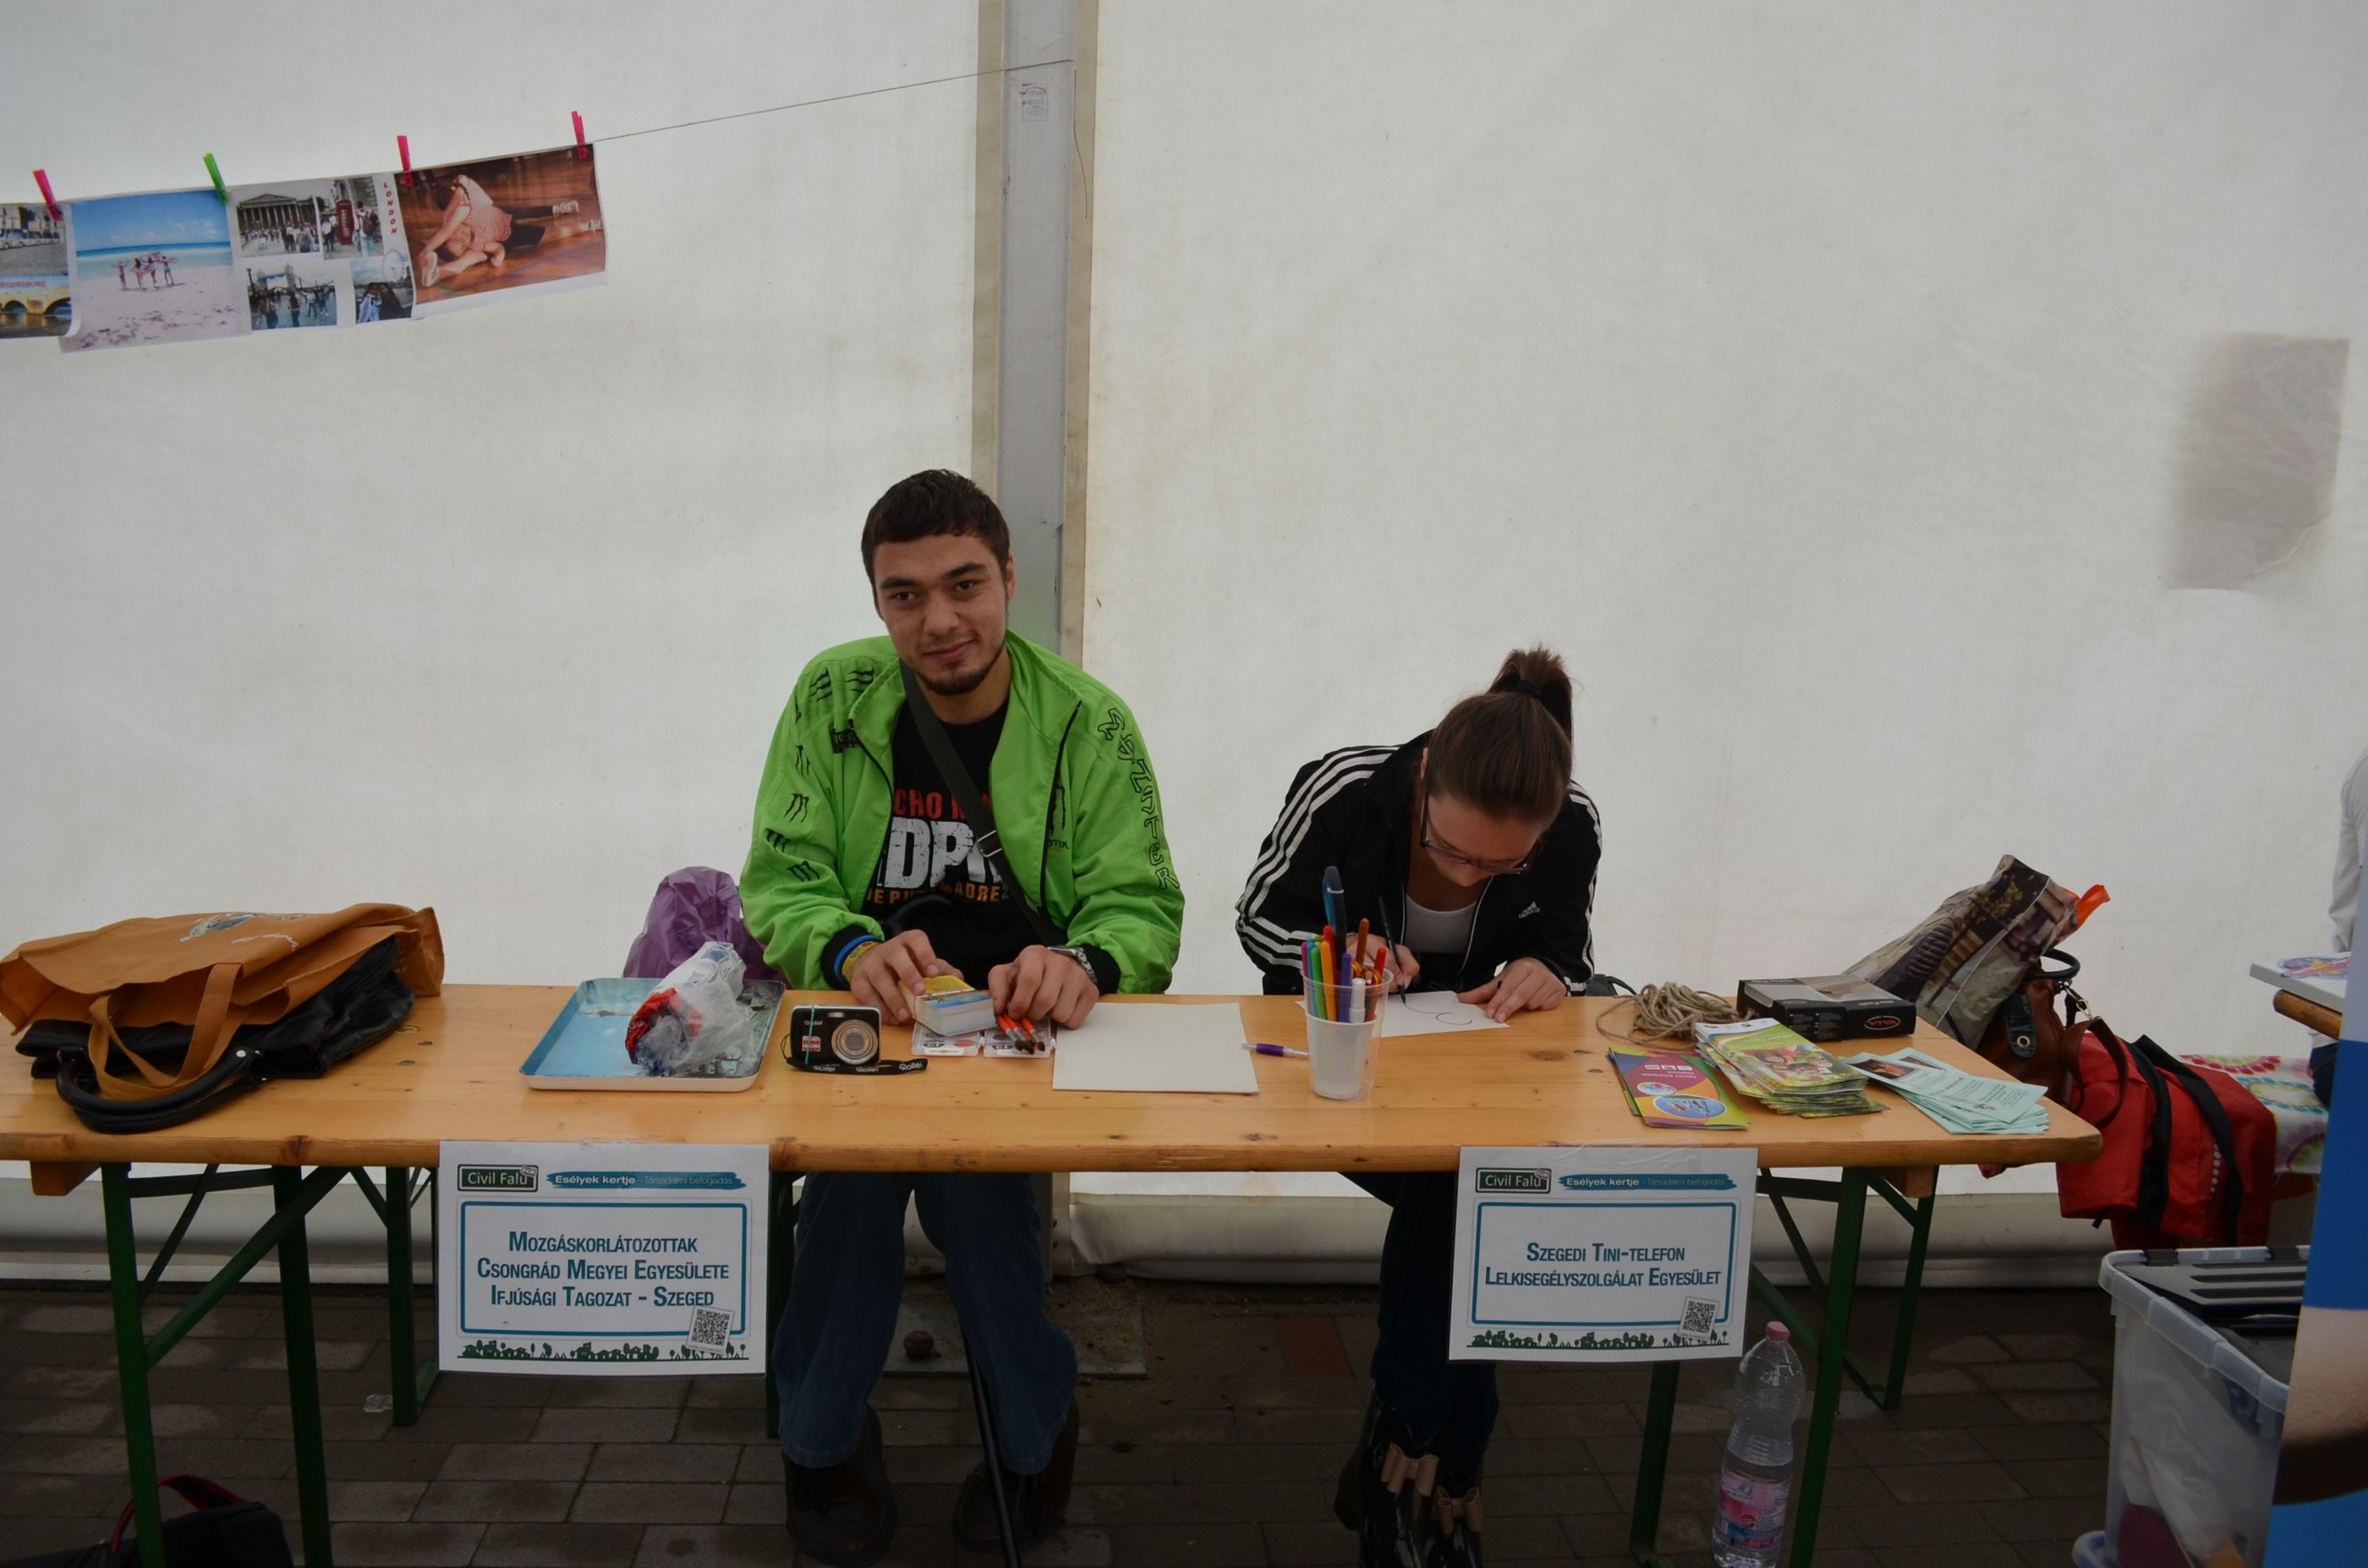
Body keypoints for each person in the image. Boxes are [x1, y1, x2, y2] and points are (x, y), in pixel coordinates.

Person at [742, 469, 1185, 1565]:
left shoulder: (1087, 723)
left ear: (1009, 579)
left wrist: (1083, 961)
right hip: (868, 1026)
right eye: (905, 595)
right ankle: (821, 1443)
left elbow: (1142, 906)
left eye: (964, 585)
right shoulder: (831, 696)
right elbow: (782, 880)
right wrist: (850, 947)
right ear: (877, 601)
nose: (939, 620)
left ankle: (1030, 1444)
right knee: (845, 1203)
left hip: (1018, 1041)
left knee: (989, 1218)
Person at [1236, 647, 1601, 1568]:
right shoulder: (1347, 788)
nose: (1472, 878)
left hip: (1476, 1085)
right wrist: (1335, 956)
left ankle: (1403, 1455)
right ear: (1426, 775)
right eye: (1449, 850)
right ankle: (1444, 1470)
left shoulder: (1574, 823)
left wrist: (1546, 969)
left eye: (1503, 864)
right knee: (1470, 1193)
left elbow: (1569, 947)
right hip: (1344, 1077)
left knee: (1464, 1186)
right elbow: (1259, 917)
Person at [411, 171, 600, 288]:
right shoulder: (472, 243)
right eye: (462, 244)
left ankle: (561, 211)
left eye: (455, 238)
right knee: (552, 236)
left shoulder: (460, 212)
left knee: (526, 212)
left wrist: (425, 251)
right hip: (506, 237)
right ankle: (437, 275)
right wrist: (499, 256)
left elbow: (445, 229)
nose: (462, 238)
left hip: (501, 216)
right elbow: (495, 248)